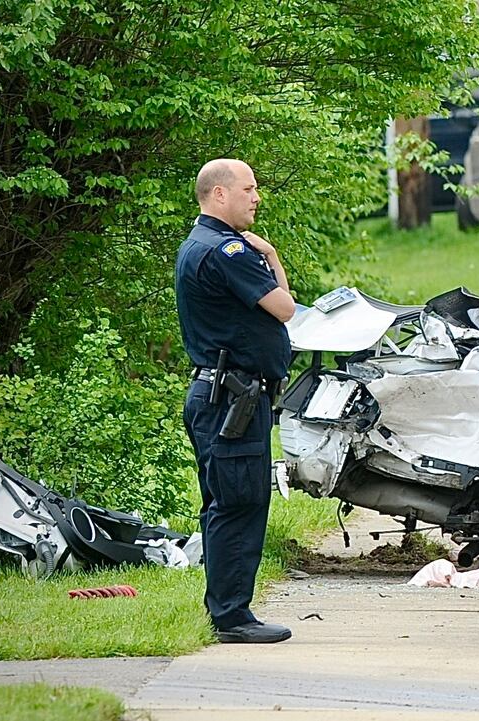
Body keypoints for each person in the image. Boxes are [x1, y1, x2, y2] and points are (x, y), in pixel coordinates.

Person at [174, 158, 297, 643]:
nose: (257, 196)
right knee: (238, 503)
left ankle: (229, 610)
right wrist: (271, 256)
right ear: (219, 194)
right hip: (231, 399)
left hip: (223, 395)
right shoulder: (227, 250)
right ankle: (231, 617)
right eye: (248, 189)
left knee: (228, 502)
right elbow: (284, 308)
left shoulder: (199, 244)